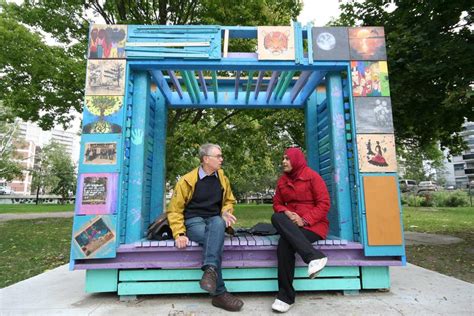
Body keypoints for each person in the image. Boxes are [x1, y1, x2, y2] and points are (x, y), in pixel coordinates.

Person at [166, 143, 244, 312]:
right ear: (206, 159)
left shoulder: (222, 178)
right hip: (194, 221)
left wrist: (225, 212)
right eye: (218, 156)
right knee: (214, 240)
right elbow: (175, 209)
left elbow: (229, 200)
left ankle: (210, 271)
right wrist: (179, 233)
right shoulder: (186, 180)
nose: (221, 159)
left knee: (217, 223)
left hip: (215, 220)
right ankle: (220, 293)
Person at [271, 147, 330, 313]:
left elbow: (324, 204)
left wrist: (304, 220)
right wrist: (287, 212)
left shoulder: (313, 177)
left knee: (285, 243)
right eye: (283, 158)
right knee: (276, 217)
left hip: (313, 225)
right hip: (291, 224)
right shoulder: (282, 181)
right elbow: (277, 204)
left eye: (287, 158)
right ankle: (314, 256)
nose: (284, 162)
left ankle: (285, 297)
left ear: (296, 160)